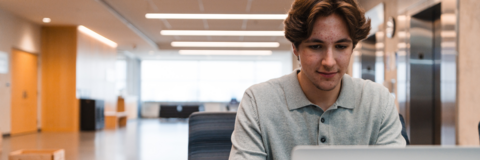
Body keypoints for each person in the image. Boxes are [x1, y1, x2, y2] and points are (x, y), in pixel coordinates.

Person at [229, 0, 406, 159]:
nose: (329, 62)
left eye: (341, 46)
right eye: (316, 46)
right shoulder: (258, 102)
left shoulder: (379, 101)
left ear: (353, 47)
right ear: (295, 48)